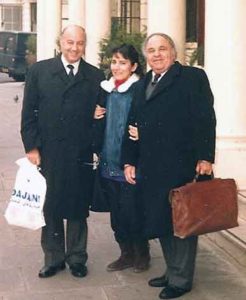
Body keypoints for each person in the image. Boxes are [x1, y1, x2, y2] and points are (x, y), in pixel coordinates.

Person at [122, 33, 216, 299]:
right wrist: (129, 160)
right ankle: (173, 269)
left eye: (162, 49)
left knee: (183, 222)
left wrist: (206, 157)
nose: (157, 54)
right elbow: (132, 125)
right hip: (152, 168)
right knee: (163, 220)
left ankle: (181, 279)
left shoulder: (192, 78)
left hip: (182, 165)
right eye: (151, 50)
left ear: (173, 53)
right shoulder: (141, 86)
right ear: (146, 56)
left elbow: (206, 119)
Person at [20, 25, 105, 279]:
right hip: (50, 152)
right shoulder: (39, 71)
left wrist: (95, 142)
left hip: (80, 152)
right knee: (52, 206)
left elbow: (100, 117)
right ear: (60, 42)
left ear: (85, 45)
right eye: (70, 42)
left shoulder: (94, 75)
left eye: (79, 43)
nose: (74, 48)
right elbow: (28, 114)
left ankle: (77, 258)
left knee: (78, 207)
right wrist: (32, 147)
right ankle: (53, 258)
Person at [93, 44, 151, 273]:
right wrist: (94, 115)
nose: (117, 67)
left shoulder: (140, 90)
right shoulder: (106, 89)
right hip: (108, 159)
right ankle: (125, 253)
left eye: (123, 62)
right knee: (117, 213)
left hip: (129, 162)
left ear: (134, 66)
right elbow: (97, 119)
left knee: (133, 211)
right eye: (114, 61)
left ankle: (142, 254)